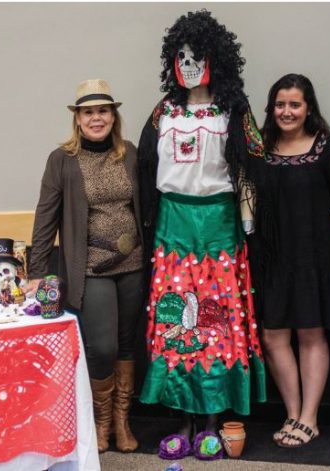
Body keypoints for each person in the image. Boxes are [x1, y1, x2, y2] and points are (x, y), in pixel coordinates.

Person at [137, 10, 266, 439]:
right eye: (181, 56)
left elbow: (252, 167)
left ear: (217, 60)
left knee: (215, 316)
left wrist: (248, 219)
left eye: (197, 56)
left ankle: (212, 415)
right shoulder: (163, 112)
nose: (188, 64)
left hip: (218, 226)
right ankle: (183, 417)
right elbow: (144, 169)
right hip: (172, 226)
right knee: (176, 316)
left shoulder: (233, 110)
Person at [27, 78, 144, 453]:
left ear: (114, 115)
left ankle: (122, 423)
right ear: (77, 119)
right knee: (103, 346)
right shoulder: (62, 159)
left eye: (103, 111)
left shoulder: (129, 153)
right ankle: (101, 422)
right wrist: (36, 272)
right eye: (89, 112)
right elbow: (46, 217)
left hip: (134, 263)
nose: (97, 118)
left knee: (128, 343)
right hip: (90, 268)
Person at [247, 74, 330, 447]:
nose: (286, 111)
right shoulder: (258, 148)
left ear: (309, 108)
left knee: (311, 333)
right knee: (273, 336)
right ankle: (292, 412)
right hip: (270, 258)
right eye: (280, 104)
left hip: (315, 258)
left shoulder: (329, 146)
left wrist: (327, 252)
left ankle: (310, 417)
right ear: (270, 107)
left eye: (295, 104)